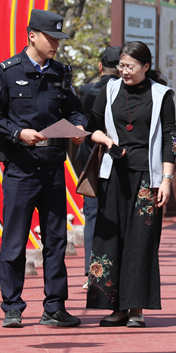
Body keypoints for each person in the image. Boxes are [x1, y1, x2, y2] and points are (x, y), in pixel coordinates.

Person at [0, 9, 87, 328]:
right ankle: (12, 306)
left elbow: (75, 110)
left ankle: (54, 307)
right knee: (15, 239)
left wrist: (79, 130)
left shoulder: (61, 73)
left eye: (59, 39)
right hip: (21, 168)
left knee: (56, 240)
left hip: (53, 167)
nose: (56, 44)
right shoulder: (8, 71)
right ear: (32, 36)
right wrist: (17, 133)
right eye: (51, 38)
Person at [85, 41, 175, 328]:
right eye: (121, 65)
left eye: (131, 67)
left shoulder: (161, 95)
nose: (124, 71)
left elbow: (171, 139)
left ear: (146, 67)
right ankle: (114, 307)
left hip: (148, 178)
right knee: (110, 239)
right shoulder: (109, 90)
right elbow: (92, 127)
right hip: (114, 176)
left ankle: (135, 308)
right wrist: (107, 141)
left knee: (141, 242)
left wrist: (167, 179)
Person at [76, 46, 121, 288]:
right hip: (119, 156)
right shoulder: (128, 91)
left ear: (100, 67)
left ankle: (90, 270)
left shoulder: (86, 91)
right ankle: (114, 268)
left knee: (92, 210)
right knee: (116, 210)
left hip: (92, 155)